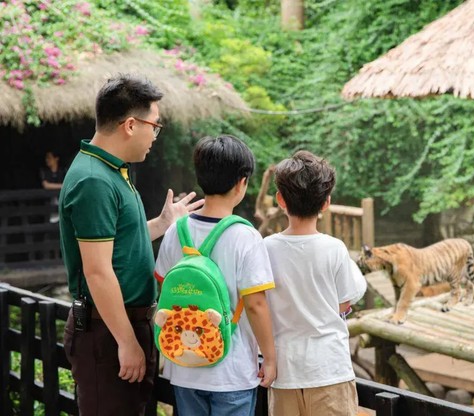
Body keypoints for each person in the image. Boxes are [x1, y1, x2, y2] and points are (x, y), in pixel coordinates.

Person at [59, 74, 203, 416]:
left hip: (119, 326)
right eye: (154, 125)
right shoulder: (94, 180)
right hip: (108, 332)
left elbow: (118, 244)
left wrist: (163, 224)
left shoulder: (110, 170)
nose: (155, 134)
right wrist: (126, 341)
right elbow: (97, 271)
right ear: (130, 124)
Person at [154, 134, 278, 415]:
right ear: (242, 183)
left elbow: (163, 284)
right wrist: (269, 358)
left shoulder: (177, 230)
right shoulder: (245, 236)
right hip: (231, 373)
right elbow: (257, 305)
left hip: (184, 367)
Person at [263, 150, 366, 416]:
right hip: (329, 369)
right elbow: (345, 299)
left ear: (280, 200)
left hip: (284, 372)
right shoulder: (334, 248)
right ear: (326, 203)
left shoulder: (265, 248)